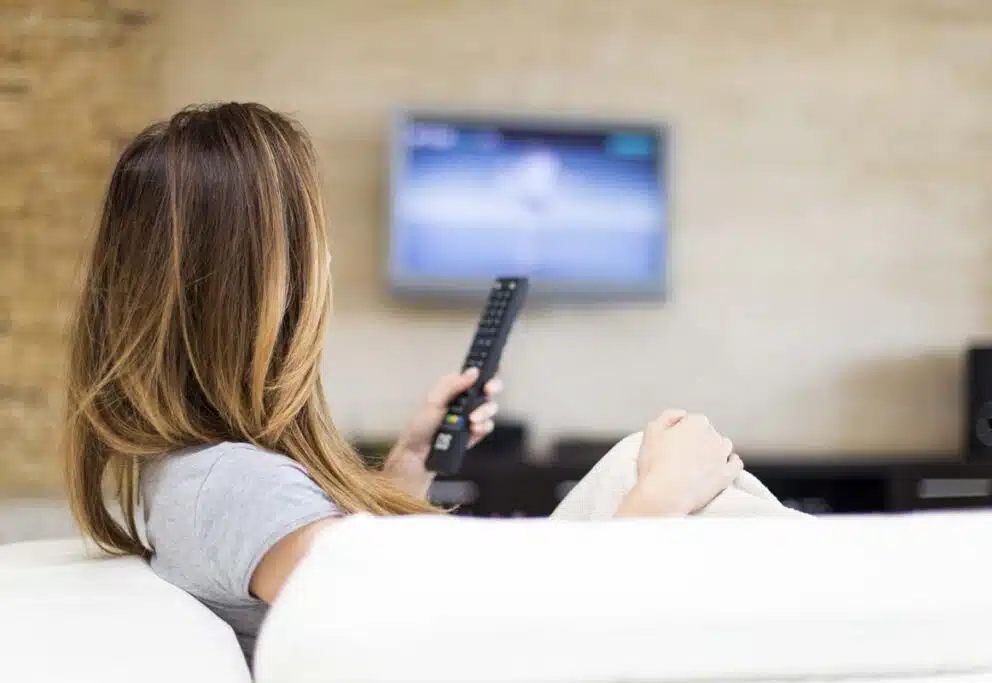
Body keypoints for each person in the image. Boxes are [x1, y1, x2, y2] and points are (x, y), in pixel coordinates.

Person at [63, 102, 748, 666]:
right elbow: (481, 644)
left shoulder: (194, 473)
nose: (326, 260)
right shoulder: (234, 486)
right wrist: (659, 499)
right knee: (678, 477)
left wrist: (411, 460)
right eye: (312, 240)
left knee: (656, 464)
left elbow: (366, 584)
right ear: (264, 283)